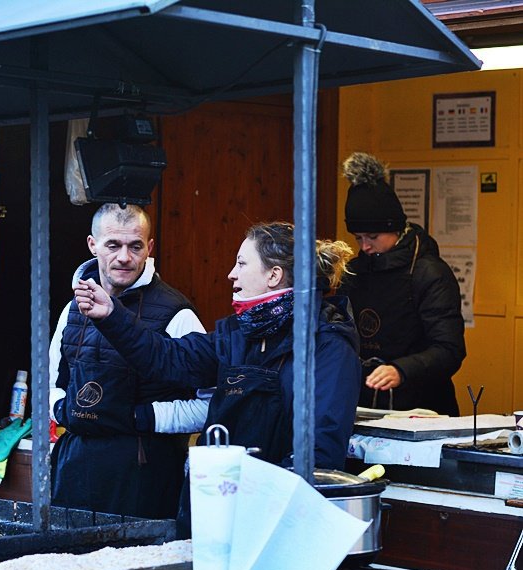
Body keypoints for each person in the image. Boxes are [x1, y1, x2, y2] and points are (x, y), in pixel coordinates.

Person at [75, 222, 361, 534]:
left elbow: (320, 450)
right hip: (217, 510)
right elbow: (167, 358)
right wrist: (112, 316)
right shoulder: (237, 334)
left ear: (273, 275)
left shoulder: (327, 346)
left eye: (241, 263)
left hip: (276, 523)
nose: (231, 274)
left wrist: (265, 506)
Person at [48, 203, 206, 520]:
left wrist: (144, 417)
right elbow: (51, 383)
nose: (124, 257)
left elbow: (208, 406)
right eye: (113, 245)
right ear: (93, 245)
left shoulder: (177, 313)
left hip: (145, 475)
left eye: (135, 246)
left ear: (149, 247)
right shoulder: (73, 308)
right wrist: (63, 409)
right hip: (75, 467)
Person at [339, 152, 466, 416]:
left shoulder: (430, 273)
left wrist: (402, 370)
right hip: (364, 402)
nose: (364, 246)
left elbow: (449, 349)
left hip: (422, 406)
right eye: (358, 237)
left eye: (373, 236)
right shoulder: (354, 272)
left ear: (395, 228)